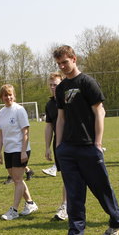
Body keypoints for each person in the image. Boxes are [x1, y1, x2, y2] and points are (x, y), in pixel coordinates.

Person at [53, 45, 119, 235]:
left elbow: (99, 112)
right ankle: (75, 234)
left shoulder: (87, 82)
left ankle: (117, 220)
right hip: (68, 149)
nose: (62, 66)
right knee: (74, 193)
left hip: (88, 147)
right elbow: (61, 117)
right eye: (59, 64)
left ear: (74, 59)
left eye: (65, 62)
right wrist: (59, 145)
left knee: (101, 188)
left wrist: (98, 143)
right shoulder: (61, 89)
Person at [0, 84, 38, 220]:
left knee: (18, 179)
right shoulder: (1, 113)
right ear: (1, 97)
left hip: (20, 149)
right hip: (8, 150)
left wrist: (23, 151)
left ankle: (14, 210)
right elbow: (0, 134)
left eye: (10, 94)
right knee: (16, 179)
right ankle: (30, 203)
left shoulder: (19, 110)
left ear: (14, 95)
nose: (8, 97)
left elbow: (25, 131)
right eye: (5, 95)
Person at [43, 72, 67, 220]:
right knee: (66, 176)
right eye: (51, 85)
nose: (53, 87)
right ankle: (66, 205)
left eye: (56, 85)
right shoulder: (49, 104)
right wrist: (47, 147)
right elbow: (49, 127)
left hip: (74, 143)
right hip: (59, 146)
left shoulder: (69, 100)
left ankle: (67, 205)